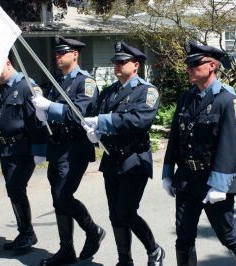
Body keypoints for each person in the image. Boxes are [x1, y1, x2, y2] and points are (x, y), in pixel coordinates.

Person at [161, 41, 236, 266]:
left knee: (227, 235)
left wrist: (220, 185)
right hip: (186, 179)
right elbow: (176, 136)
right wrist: (167, 171)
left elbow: (232, 145)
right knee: (183, 237)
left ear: (212, 65)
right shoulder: (186, 98)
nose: (190, 68)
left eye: (195, 64)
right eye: (188, 64)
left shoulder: (229, 100)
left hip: (213, 180)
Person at [83, 41, 165, 266]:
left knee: (126, 211)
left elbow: (139, 121)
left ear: (135, 65)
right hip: (112, 159)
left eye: (122, 62)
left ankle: (154, 249)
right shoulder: (110, 92)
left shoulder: (147, 91)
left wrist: (103, 121)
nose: (117, 65)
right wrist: (95, 132)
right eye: (115, 62)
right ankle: (124, 260)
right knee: (114, 214)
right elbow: (97, 116)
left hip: (134, 159)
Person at [32, 36, 105, 266]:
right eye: (56, 53)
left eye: (62, 52)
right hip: (57, 148)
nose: (57, 56)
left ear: (75, 54)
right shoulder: (57, 82)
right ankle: (66, 249)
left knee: (64, 196)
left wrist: (50, 108)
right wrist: (42, 113)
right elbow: (51, 111)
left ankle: (93, 230)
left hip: (75, 149)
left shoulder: (86, 82)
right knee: (57, 199)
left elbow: (78, 113)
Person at [0, 58, 46, 253]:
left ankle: (28, 233)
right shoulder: (0, 88)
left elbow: (38, 120)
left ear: (7, 63)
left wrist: (39, 150)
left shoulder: (26, 86)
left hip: (22, 149)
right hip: (7, 150)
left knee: (16, 188)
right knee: (13, 190)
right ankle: (24, 231)